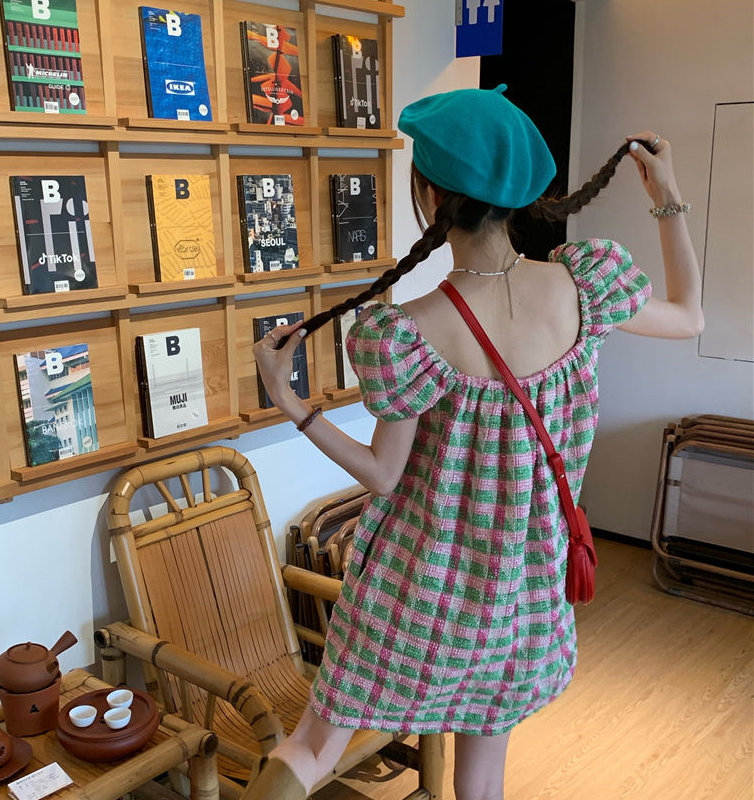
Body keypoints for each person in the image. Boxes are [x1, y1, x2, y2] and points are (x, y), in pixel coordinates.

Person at [247, 85, 703, 800]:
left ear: (431, 197)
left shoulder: (409, 332)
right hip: (520, 596)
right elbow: (688, 315)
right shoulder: (585, 288)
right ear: (520, 192)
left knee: (308, 748)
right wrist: (667, 195)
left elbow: (384, 476)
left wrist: (289, 401)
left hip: (414, 595)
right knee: (482, 783)